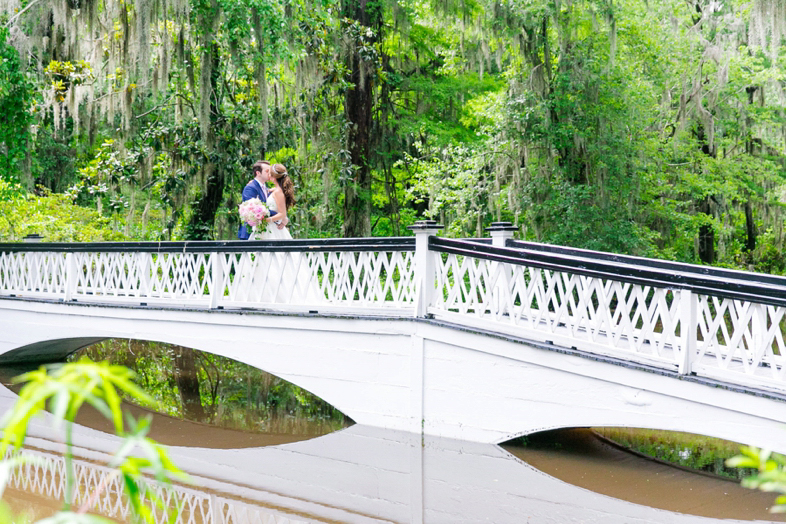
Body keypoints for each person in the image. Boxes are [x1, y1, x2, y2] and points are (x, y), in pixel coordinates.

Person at [238, 161, 287, 240]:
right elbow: (255, 211)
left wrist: (282, 215)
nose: (270, 173)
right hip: (250, 231)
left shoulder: (268, 189)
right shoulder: (250, 188)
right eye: (267, 171)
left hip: (265, 230)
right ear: (258, 173)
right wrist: (281, 216)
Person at [257, 163, 295, 240]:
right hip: (270, 226)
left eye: (269, 172)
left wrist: (268, 220)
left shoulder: (278, 192)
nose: (268, 174)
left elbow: (282, 213)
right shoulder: (277, 190)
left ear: (273, 177)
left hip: (273, 226)